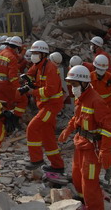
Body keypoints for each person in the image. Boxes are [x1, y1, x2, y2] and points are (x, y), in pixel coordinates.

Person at [58, 65, 111, 210]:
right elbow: (76, 118)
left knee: (89, 181)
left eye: (75, 84)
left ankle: (94, 207)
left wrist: (105, 150)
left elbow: (108, 129)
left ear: (84, 83)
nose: (73, 88)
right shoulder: (81, 98)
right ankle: (83, 201)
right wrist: (68, 130)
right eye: (71, 84)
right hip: (80, 144)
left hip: (92, 148)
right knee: (77, 175)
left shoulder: (96, 101)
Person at [22, 40, 65, 173]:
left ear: (43, 54)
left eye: (36, 53)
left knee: (32, 128)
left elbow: (49, 91)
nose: (33, 55)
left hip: (51, 106)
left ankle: (36, 159)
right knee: (48, 137)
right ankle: (57, 166)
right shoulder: (39, 65)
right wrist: (27, 82)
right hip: (45, 105)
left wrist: (32, 91)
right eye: (33, 52)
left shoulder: (50, 68)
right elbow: (29, 74)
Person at [0, 36, 28, 119]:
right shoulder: (12, 57)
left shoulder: (0, 53)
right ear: (18, 47)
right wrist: (19, 89)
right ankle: (15, 119)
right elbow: (12, 77)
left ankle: (3, 123)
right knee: (23, 100)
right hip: (7, 85)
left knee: (2, 104)